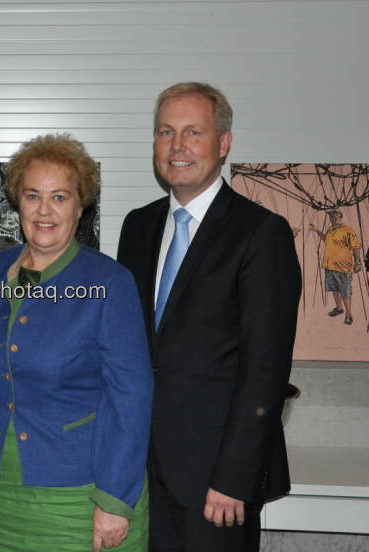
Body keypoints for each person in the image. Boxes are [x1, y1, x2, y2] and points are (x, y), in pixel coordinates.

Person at [117, 82, 301, 552]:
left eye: (192, 132)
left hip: (216, 484)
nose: (176, 147)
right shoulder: (137, 227)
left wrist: (234, 478)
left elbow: (266, 368)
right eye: (165, 132)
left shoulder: (261, 233)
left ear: (223, 143)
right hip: (141, 472)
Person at [0, 134, 153, 552]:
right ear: (18, 202)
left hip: (79, 495)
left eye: (59, 197)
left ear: (79, 206)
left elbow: (131, 396)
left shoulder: (108, 282)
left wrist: (115, 499)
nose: (44, 210)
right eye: (33, 196)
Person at [308, 209, 361, 325]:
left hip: (343, 267)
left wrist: (357, 263)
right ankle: (339, 308)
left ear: (341, 217)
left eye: (335, 216)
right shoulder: (330, 229)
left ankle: (349, 314)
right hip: (330, 265)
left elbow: (356, 246)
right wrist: (317, 230)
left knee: (345, 291)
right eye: (331, 216)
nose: (332, 218)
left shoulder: (347, 230)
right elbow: (326, 240)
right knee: (334, 289)